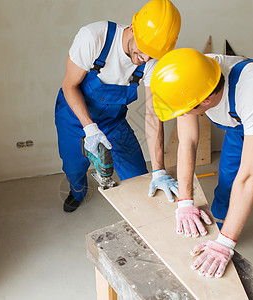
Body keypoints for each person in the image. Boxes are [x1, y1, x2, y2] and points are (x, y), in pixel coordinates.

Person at [150, 48, 253, 300]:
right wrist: (185, 201)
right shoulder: (194, 75)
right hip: (240, 127)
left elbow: (252, 176)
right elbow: (187, 141)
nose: (181, 114)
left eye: (183, 110)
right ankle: (221, 226)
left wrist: (225, 244)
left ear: (205, 101)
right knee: (227, 185)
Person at [55, 0, 181, 213]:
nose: (146, 58)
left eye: (153, 54)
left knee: (139, 176)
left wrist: (159, 171)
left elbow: (153, 114)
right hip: (73, 117)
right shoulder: (94, 37)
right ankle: (78, 192)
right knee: (74, 168)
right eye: (144, 49)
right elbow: (69, 86)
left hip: (113, 122)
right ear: (132, 27)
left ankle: (143, 214)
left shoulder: (152, 61)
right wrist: (90, 128)